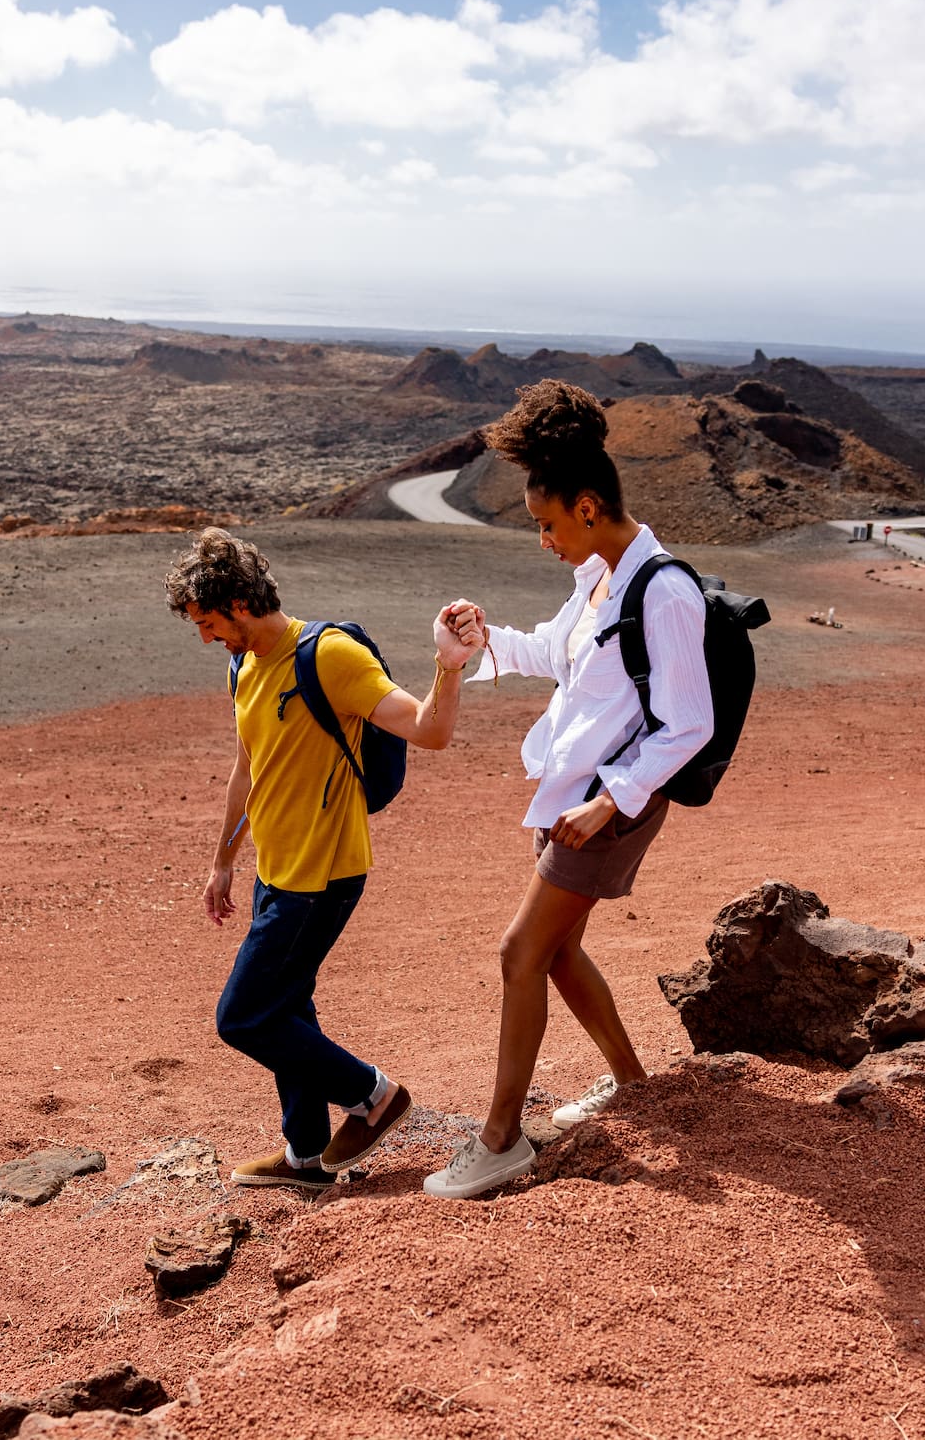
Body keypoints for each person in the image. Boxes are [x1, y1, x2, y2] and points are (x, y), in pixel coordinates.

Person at [423, 380, 714, 1201]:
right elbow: (559, 657)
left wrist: (612, 799)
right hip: (573, 797)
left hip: (604, 809)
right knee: (556, 954)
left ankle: (500, 1141)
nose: (543, 539)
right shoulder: (598, 577)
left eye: (547, 523)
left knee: (522, 950)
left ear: (588, 507)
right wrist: (483, 642)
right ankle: (632, 1081)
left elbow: (688, 724)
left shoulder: (663, 589)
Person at [166, 528, 484, 1191]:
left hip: (326, 874)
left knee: (244, 1016)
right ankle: (304, 1157)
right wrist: (224, 858)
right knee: (288, 1005)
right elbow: (249, 765)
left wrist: (448, 667)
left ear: (238, 603)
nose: (205, 638)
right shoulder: (243, 664)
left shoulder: (330, 656)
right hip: (276, 870)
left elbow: (431, 730)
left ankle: (373, 1096)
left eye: (208, 623)